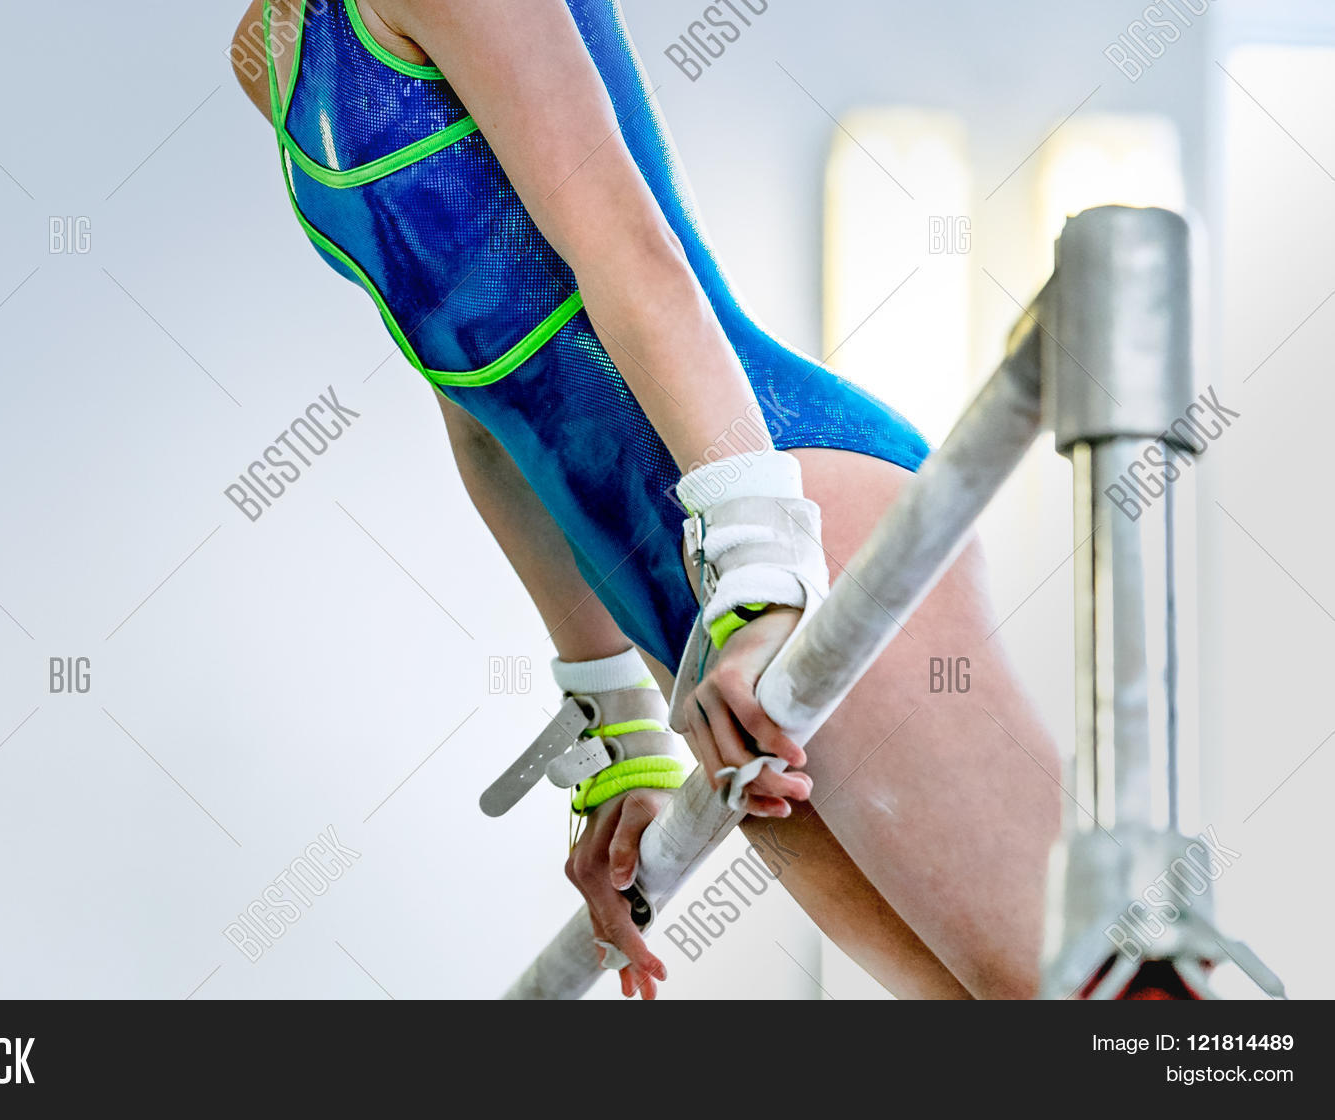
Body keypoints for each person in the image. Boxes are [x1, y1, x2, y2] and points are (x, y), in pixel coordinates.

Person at [231, 0, 1062, 999]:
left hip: (786, 504)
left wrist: (763, 572)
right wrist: (614, 715)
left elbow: (630, 251)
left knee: (1088, 1004)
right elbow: (480, 409)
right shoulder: (268, 54)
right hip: (680, 604)